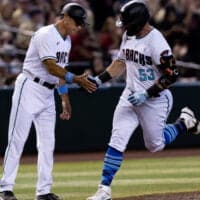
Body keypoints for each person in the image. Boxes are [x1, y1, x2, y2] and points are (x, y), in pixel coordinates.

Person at [86, 1, 200, 200]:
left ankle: (183, 123)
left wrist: (146, 94)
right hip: (130, 95)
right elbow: (120, 61)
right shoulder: (128, 35)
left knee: (155, 145)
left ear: (139, 22)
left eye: (128, 23)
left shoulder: (157, 43)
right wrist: (100, 79)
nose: (125, 26)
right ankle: (104, 188)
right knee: (117, 139)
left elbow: (172, 75)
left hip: (154, 99)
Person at [0, 3, 96, 200]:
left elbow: (60, 72)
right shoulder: (45, 34)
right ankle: (4, 188)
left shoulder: (67, 40)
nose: (78, 27)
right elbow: (51, 66)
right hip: (29, 87)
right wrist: (77, 79)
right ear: (67, 18)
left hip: (48, 93)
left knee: (47, 144)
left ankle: (43, 191)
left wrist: (64, 98)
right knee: (17, 140)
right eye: (77, 23)